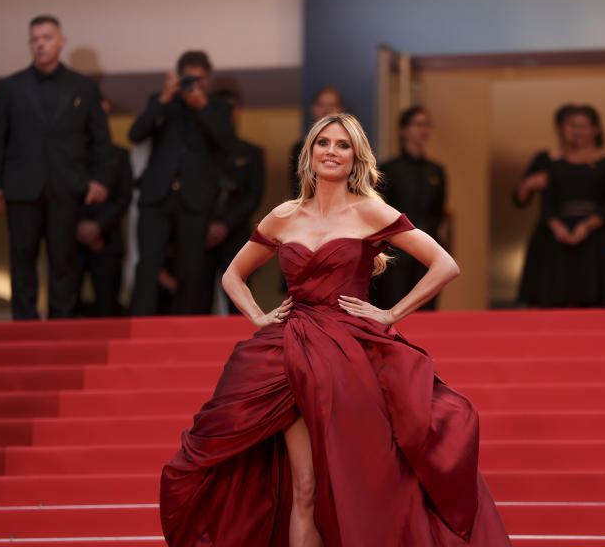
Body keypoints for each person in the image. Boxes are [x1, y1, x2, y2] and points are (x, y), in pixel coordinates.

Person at [160, 113, 511, 546]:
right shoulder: (283, 216)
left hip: (352, 357)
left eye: (342, 145)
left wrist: (389, 314)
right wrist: (258, 316)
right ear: (309, 154)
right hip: (289, 356)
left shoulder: (371, 211)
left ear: (356, 158)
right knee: (304, 488)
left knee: (360, 480)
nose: (331, 151)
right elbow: (233, 275)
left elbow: (445, 265)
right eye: (322, 143)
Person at [0, 15, 114, 320]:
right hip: (20, 187)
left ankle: (62, 326)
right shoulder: (9, 87)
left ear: (61, 42)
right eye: (35, 39)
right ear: (30, 44)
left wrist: (100, 179)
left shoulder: (84, 88)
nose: (40, 44)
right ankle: (24, 326)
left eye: (47, 38)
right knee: (22, 259)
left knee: (64, 260)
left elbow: (100, 141)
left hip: (66, 185)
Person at [129, 50, 235, 315]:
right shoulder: (162, 101)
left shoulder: (219, 107)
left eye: (199, 80)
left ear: (208, 79)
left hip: (195, 199)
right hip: (157, 196)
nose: (194, 85)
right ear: (178, 77)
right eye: (189, 79)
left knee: (191, 267)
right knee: (148, 263)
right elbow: (135, 133)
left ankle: (183, 327)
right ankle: (140, 324)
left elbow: (228, 143)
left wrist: (203, 107)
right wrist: (165, 97)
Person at [516, 104, 605, 307]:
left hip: (594, 240)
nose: (576, 132)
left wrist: (587, 226)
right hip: (555, 237)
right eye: (572, 126)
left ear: (595, 129)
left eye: (582, 126)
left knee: (596, 299)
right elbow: (540, 202)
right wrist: (556, 226)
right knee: (552, 298)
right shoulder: (551, 161)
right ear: (563, 128)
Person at [371, 106, 447, 311]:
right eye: (417, 124)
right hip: (396, 253)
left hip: (428, 251)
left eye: (426, 124)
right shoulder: (388, 169)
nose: (423, 129)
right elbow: (379, 213)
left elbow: (439, 212)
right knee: (394, 308)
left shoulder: (436, 171)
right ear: (403, 130)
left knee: (426, 310)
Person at [198, 87, 266, 314]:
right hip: (200, 236)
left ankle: (244, 348)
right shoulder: (199, 154)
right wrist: (206, 226)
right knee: (198, 300)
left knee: (240, 303)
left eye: (232, 108)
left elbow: (253, 196)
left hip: (236, 238)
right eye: (221, 108)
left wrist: (224, 225)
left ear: (238, 112)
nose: (228, 113)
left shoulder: (252, 152)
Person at [75, 139, 133, 317]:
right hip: (71, 238)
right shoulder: (67, 151)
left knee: (107, 305)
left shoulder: (119, 155)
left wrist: (98, 226)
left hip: (109, 240)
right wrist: (79, 226)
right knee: (66, 304)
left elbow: (124, 197)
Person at [289, 86, 344, 197]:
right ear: (312, 109)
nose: (326, 110)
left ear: (340, 109)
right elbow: (298, 187)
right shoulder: (300, 147)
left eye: (332, 105)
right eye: (321, 105)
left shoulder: (352, 143)